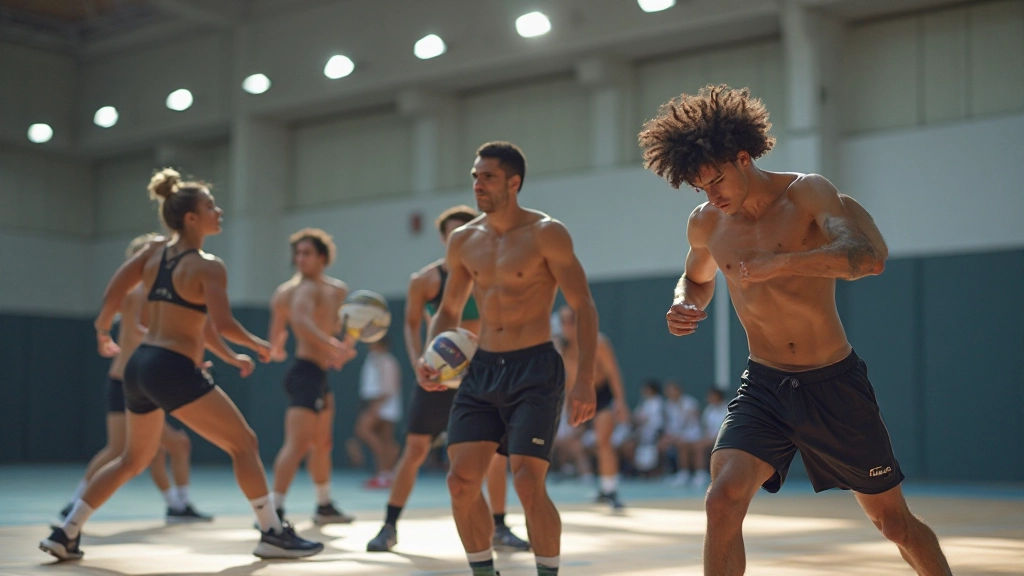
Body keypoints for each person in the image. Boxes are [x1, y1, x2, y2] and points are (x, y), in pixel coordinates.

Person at [640, 84, 951, 575]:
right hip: (764, 384)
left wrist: (781, 263)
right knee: (721, 501)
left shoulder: (806, 193)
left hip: (833, 382)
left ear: (743, 157)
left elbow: (868, 259)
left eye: (717, 180)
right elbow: (696, 279)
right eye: (701, 187)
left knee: (893, 523)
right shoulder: (705, 223)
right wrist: (683, 303)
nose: (711, 195)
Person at [40, 169, 323, 561]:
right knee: (245, 443)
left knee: (132, 459)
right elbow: (222, 324)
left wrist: (103, 329)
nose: (219, 211)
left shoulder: (153, 253)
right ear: (191, 217)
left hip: (138, 367)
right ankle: (273, 531)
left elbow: (115, 291)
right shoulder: (208, 265)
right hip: (171, 367)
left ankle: (66, 531)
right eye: (211, 206)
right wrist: (256, 343)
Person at [418, 142, 599, 576]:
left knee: (526, 483)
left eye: (488, 177)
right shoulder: (463, 240)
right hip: (480, 370)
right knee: (460, 482)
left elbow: (583, 306)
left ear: (514, 183)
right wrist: (432, 356)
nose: (478, 184)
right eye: (475, 176)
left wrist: (585, 379)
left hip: (535, 369)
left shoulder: (546, 233)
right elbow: (448, 308)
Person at [367, 205, 529, 554]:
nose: (463, 238)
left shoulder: (493, 275)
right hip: (440, 375)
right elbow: (411, 324)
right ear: (445, 239)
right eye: (455, 233)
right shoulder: (425, 280)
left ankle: (500, 527)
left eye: (469, 230)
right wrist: (417, 363)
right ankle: (389, 526)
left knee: (497, 456)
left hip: (485, 373)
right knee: (414, 451)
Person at [58, 233, 212, 524]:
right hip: (129, 381)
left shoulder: (158, 292)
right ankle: (77, 501)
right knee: (123, 449)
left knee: (170, 446)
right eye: (151, 251)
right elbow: (144, 329)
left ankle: (178, 505)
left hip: (149, 380)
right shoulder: (138, 292)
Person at [267, 228, 357, 525]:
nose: (300, 259)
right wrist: (277, 348)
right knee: (297, 445)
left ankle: (324, 505)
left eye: (307, 253)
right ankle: (273, 511)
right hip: (303, 372)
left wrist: (343, 348)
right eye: (297, 254)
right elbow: (295, 326)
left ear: (322, 257)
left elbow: (342, 325)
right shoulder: (291, 292)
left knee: (322, 444)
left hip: (320, 374)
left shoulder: (337, 290)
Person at [554, 305, 629, 509]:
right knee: (573, 442)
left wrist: (620, 402)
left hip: (601, 395)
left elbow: (613, 373)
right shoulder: (561, 347)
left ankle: (610, 489)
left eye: (572, 321)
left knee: (603, 442)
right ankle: (600, 485)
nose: (567, 326)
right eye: (564, 322)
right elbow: (567, 380)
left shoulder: (598, 342)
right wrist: (568, 407)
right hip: (578, 397)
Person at [354, 337, 402, 489]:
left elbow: (388, 388)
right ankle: (384, 475)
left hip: (383, 406)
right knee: (384, 439)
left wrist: (376, 406)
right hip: (377, 404)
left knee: (365, 431)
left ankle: (386, 471)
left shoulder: (387, 361)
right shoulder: (372, 359)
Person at [660, 380, 704, 487]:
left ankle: (697, 474)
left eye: (671, 390)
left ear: (678, 390)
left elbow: (693, 424)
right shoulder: (668, 405)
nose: (669, 393)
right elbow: (669, 425)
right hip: (676, 435)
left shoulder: (690, 403)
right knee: (661, 444)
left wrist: (678, 436)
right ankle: (671, 472)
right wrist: (669, 437)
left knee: (684, 445)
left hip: (693, 435)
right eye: (668, 391)